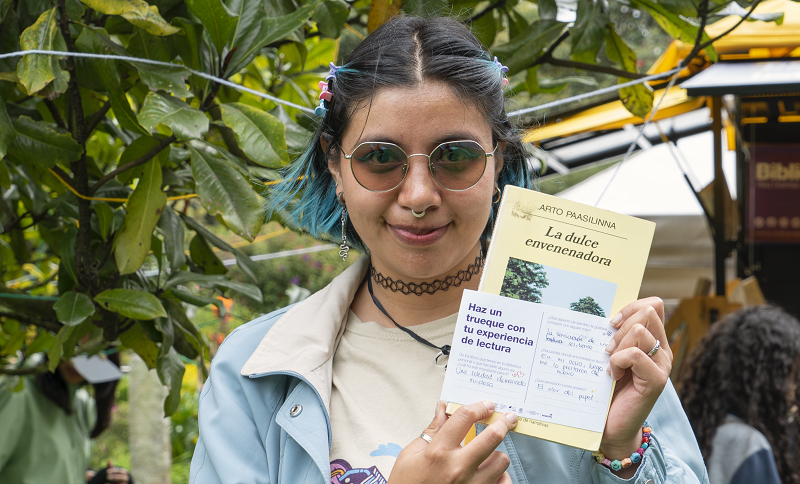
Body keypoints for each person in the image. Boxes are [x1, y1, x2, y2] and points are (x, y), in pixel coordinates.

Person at [189, 16, 708, 484]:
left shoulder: (602, 345)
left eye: (454, 156)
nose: (418, 196)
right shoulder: (254, 372)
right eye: (379, 158)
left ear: (499, 161)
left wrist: (623, 455)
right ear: (334, 163)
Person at [677, 305, 800, 484]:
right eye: (789, 376)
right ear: (768, 379)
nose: (792, 390)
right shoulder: (747, 443)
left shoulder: (701, 430)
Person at [0, 354, 132, 484]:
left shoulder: (81, 404)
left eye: (89, 352)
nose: (72, 363)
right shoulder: (17, 392)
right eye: (73, 346)